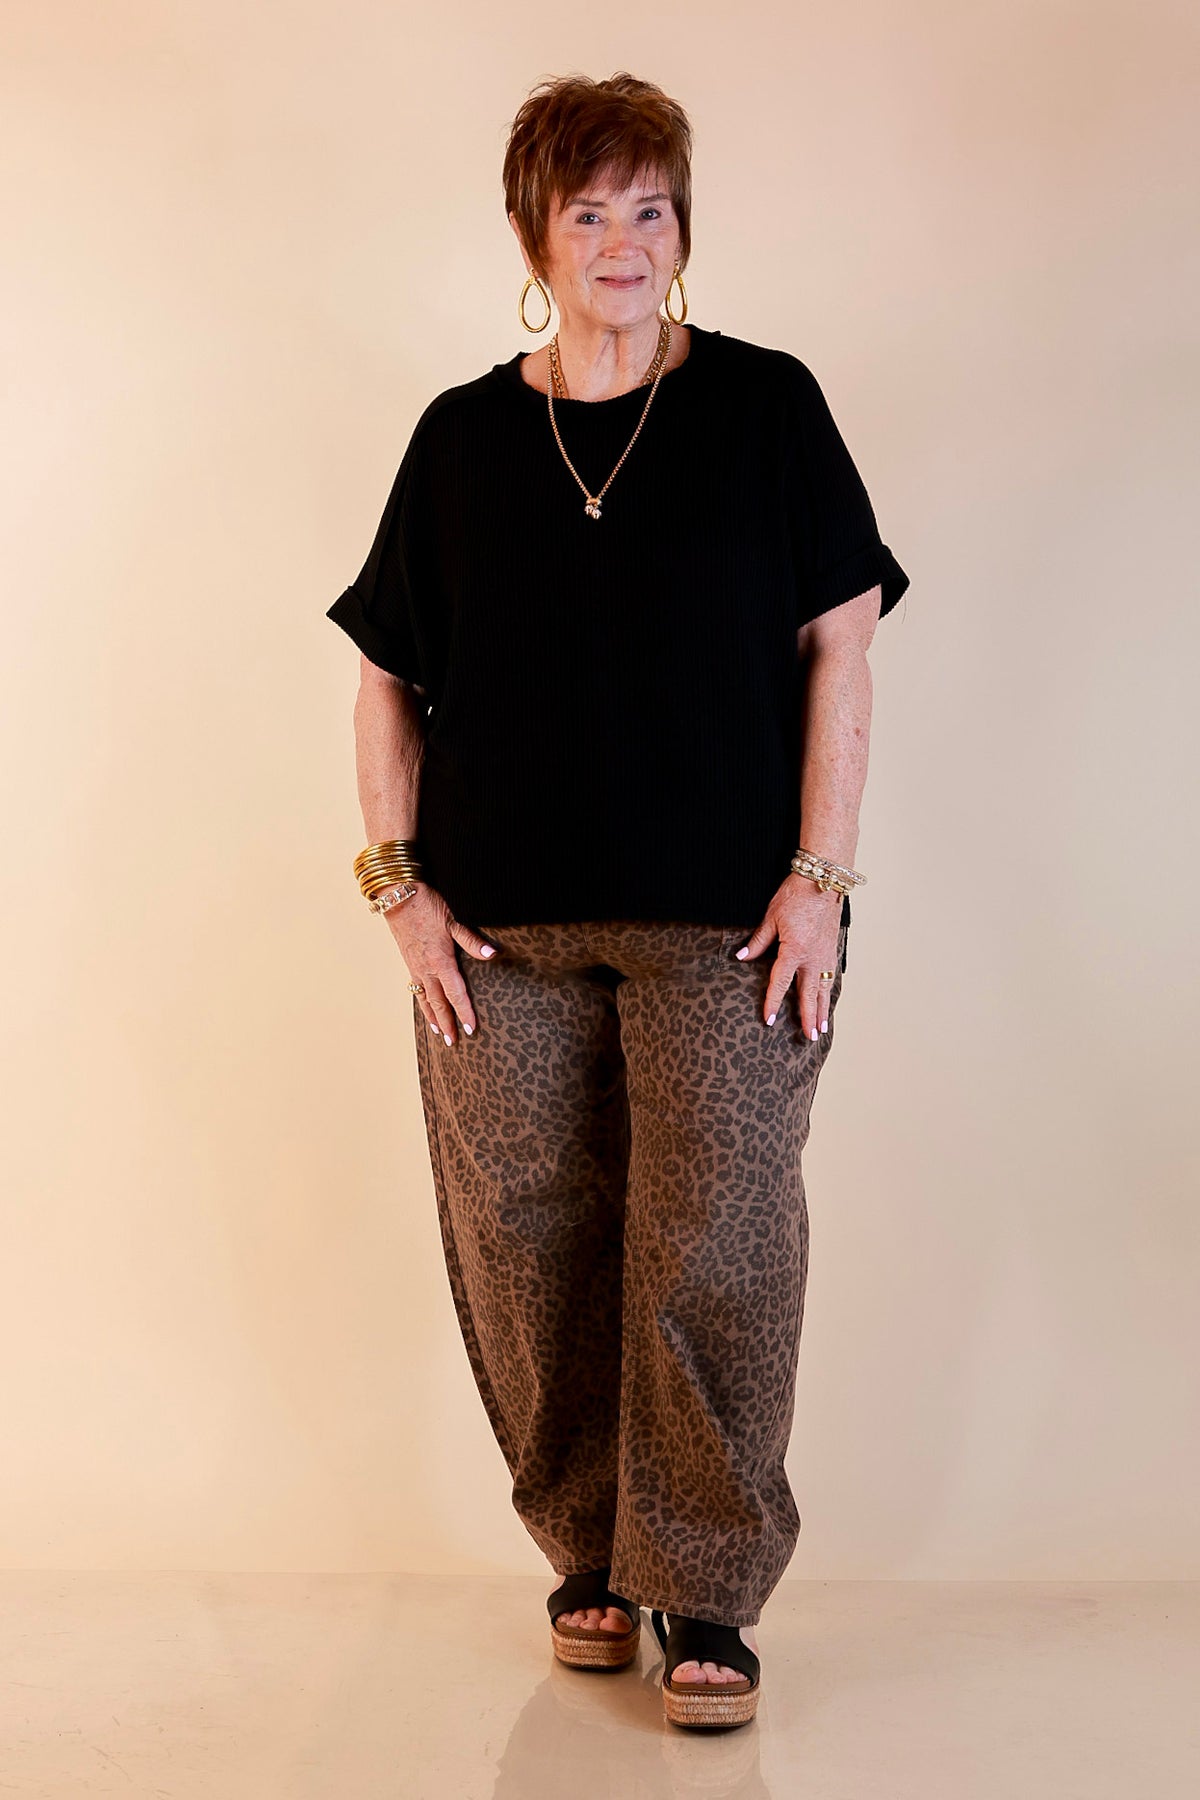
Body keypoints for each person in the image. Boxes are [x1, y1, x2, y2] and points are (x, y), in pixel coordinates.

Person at [327, 71, 910, 1732]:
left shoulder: (766, 409)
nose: (623, 242)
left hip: (728, 924)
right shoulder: (459, 440)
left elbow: (843, 646)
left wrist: (821, 879)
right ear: (537, 238)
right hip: (495, 936)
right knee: (530, 1248)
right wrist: (397, 891)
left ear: (683, 229)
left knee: (716, 1240)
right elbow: (385, 679)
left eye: (650, 209)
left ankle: (705, 1587)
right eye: (587, 213)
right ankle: (587, 1550)